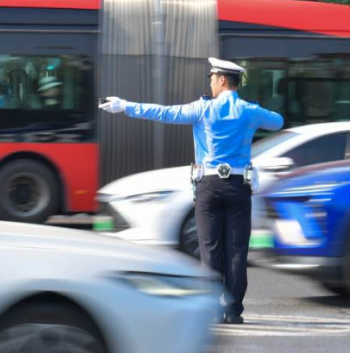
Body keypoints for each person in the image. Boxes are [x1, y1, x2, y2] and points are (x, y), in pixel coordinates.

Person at [99, 57, 283, 324]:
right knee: (237, 250)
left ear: (221, 80)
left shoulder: (201, 109)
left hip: (208, 187)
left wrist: (124, 105)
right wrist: (254, 111)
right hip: (238, 187)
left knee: (210, 249)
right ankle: (233, 311)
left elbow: (162, 112)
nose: (209, 82)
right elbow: (277, 122)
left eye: (211, 78)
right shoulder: (248, 111)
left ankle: (211, 309)